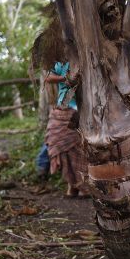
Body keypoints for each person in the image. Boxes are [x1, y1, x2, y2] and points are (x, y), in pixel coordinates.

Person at [44, 61, 87, 196]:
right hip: (63, 106)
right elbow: (48, 77)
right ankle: (72, 185)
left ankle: (83, 187)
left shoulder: (82, 58)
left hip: (83, 107)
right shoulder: (59, 62)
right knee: (61, 147)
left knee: (80, 149)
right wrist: (65, 78)